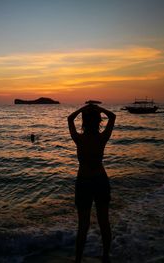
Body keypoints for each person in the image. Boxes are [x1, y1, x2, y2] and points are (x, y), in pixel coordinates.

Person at [67, 104, 116, 263]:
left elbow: (69, 119)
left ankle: (78, 260)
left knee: (83, 224)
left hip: (84, 182)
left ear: (84, 122)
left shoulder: (79, 139)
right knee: (104, 221)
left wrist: (83, 108)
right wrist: (98, 108)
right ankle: (106, 257)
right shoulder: (102, 138)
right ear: (97, 122)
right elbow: (113, 117)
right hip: (100, 180)